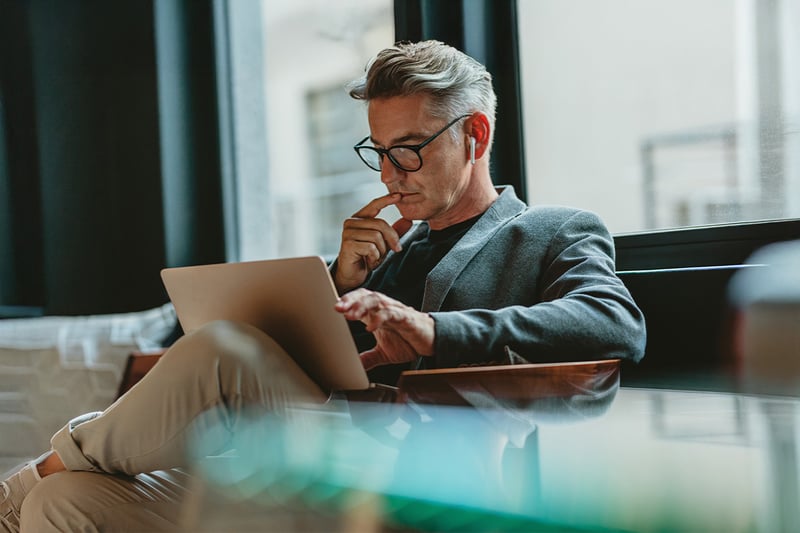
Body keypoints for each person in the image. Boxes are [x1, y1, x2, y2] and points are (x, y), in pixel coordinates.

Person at [0, 40, 646, 532]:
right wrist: (338, 282)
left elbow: (614, 325)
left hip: (411, 476)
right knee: (68, 501)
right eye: (379, 150)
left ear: (475, 134)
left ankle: (18, 486)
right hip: (292, 467)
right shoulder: (382, 251)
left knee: (221, 348)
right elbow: (318, 375)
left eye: (410, 149)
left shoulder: (553, 231)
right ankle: (45, 481)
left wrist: (434, 330)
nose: (391, 173)